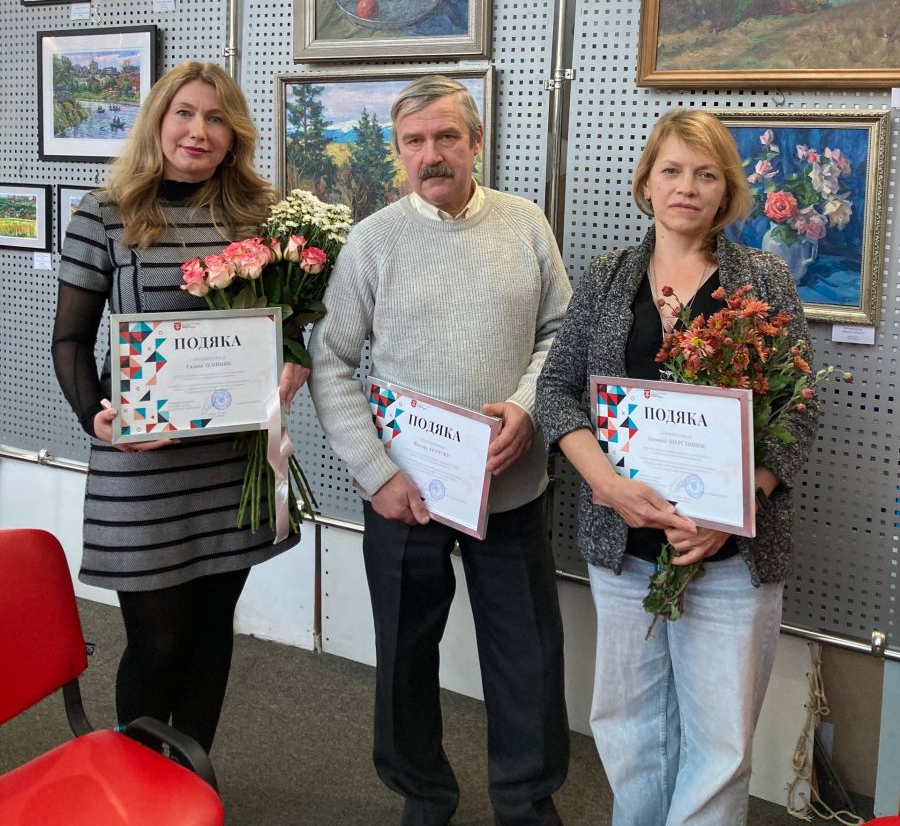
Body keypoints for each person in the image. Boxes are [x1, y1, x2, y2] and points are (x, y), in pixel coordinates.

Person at [536, 108, 818, 826]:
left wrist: (735, 509)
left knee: (720, 744)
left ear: (726, 193)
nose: (686, 187)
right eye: (671, 170)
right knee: (628, 729)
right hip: (624, 548)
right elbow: (556, 391)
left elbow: (800, 408)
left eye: (706, 174)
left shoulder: (764, 281)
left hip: (729, 555)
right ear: (646, 184)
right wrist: (606, 484)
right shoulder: (608, 277)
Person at [308, 74, 572, 826]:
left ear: (476, 142)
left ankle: (527, 804)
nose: (432, 154)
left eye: (448, 136)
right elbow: (331, 361)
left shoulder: (525, 224)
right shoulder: (372, 240)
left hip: (509, 489)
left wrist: (527, 410)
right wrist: (376, 474)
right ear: (399, 153)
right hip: (406, 495)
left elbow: (560, 333)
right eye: (414, 141)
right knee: (404, 657)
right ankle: (423, 795)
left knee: (527, 658)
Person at [52, 61, 308, 753]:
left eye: (217, 118)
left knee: (210, 632)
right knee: (157, 642)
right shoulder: (105, 213)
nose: (199, 131)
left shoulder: (261, 215)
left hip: (232, 464)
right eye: (185, 114)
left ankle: (191, 774)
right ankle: (137, 779)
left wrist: (296, 359)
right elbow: (70, 339)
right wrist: (95, 414)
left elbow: (290, 322)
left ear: (235, 134)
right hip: (142, 465)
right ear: (158, 122)